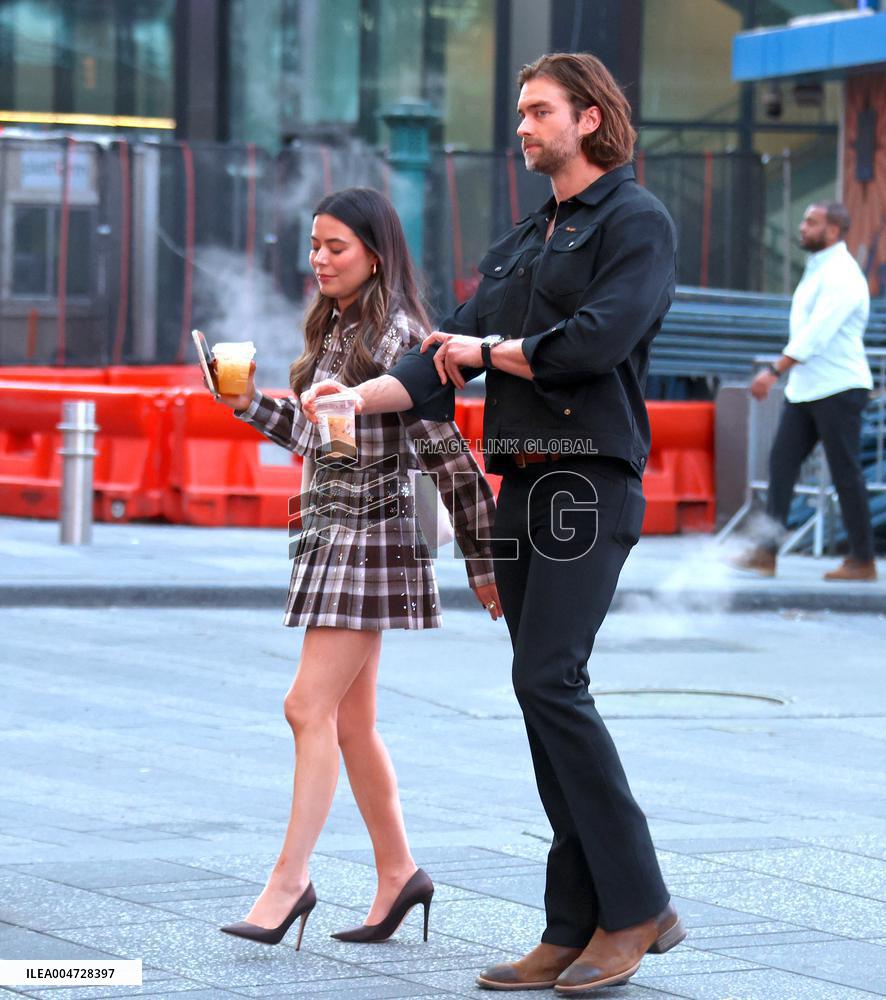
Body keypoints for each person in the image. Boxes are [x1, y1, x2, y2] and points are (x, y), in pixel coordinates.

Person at [302, 53, 684, 993]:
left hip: (587, 481)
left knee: (553, 679)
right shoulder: (526, 237)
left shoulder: (635, 222)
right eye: (521, 112)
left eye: (537, 111)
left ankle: (638, 907)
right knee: (535, 687)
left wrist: (490, 348)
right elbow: (443, 361)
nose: (522, 126)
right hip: (520, 490)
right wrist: (348, 397)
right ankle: (574, 921)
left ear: (590, 120)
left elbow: (596, 340)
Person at [211, 187, 499, 949]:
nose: (319, 260)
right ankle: (399, 872)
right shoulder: (339, 327)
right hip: (335, 534)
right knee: (350, 721)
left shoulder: (402, 332)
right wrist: (245, 404)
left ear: (376, 251)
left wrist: (484, 554)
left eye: (335, 247)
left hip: (371, 542)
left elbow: (442, 446)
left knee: (306, 707)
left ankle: (289, 882)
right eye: (313, 246)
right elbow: (324, 444)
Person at [738, 202, 877, 582]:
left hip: (839, 387)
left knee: (846, 474)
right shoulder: (819, 270)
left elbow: (818, 332)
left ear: (833, 231)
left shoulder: (843, 275)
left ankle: (863, 561)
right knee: (781, 466)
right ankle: (766, 554)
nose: (801, 228)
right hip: (806, 389)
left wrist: (773, 371)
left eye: (811, 222)